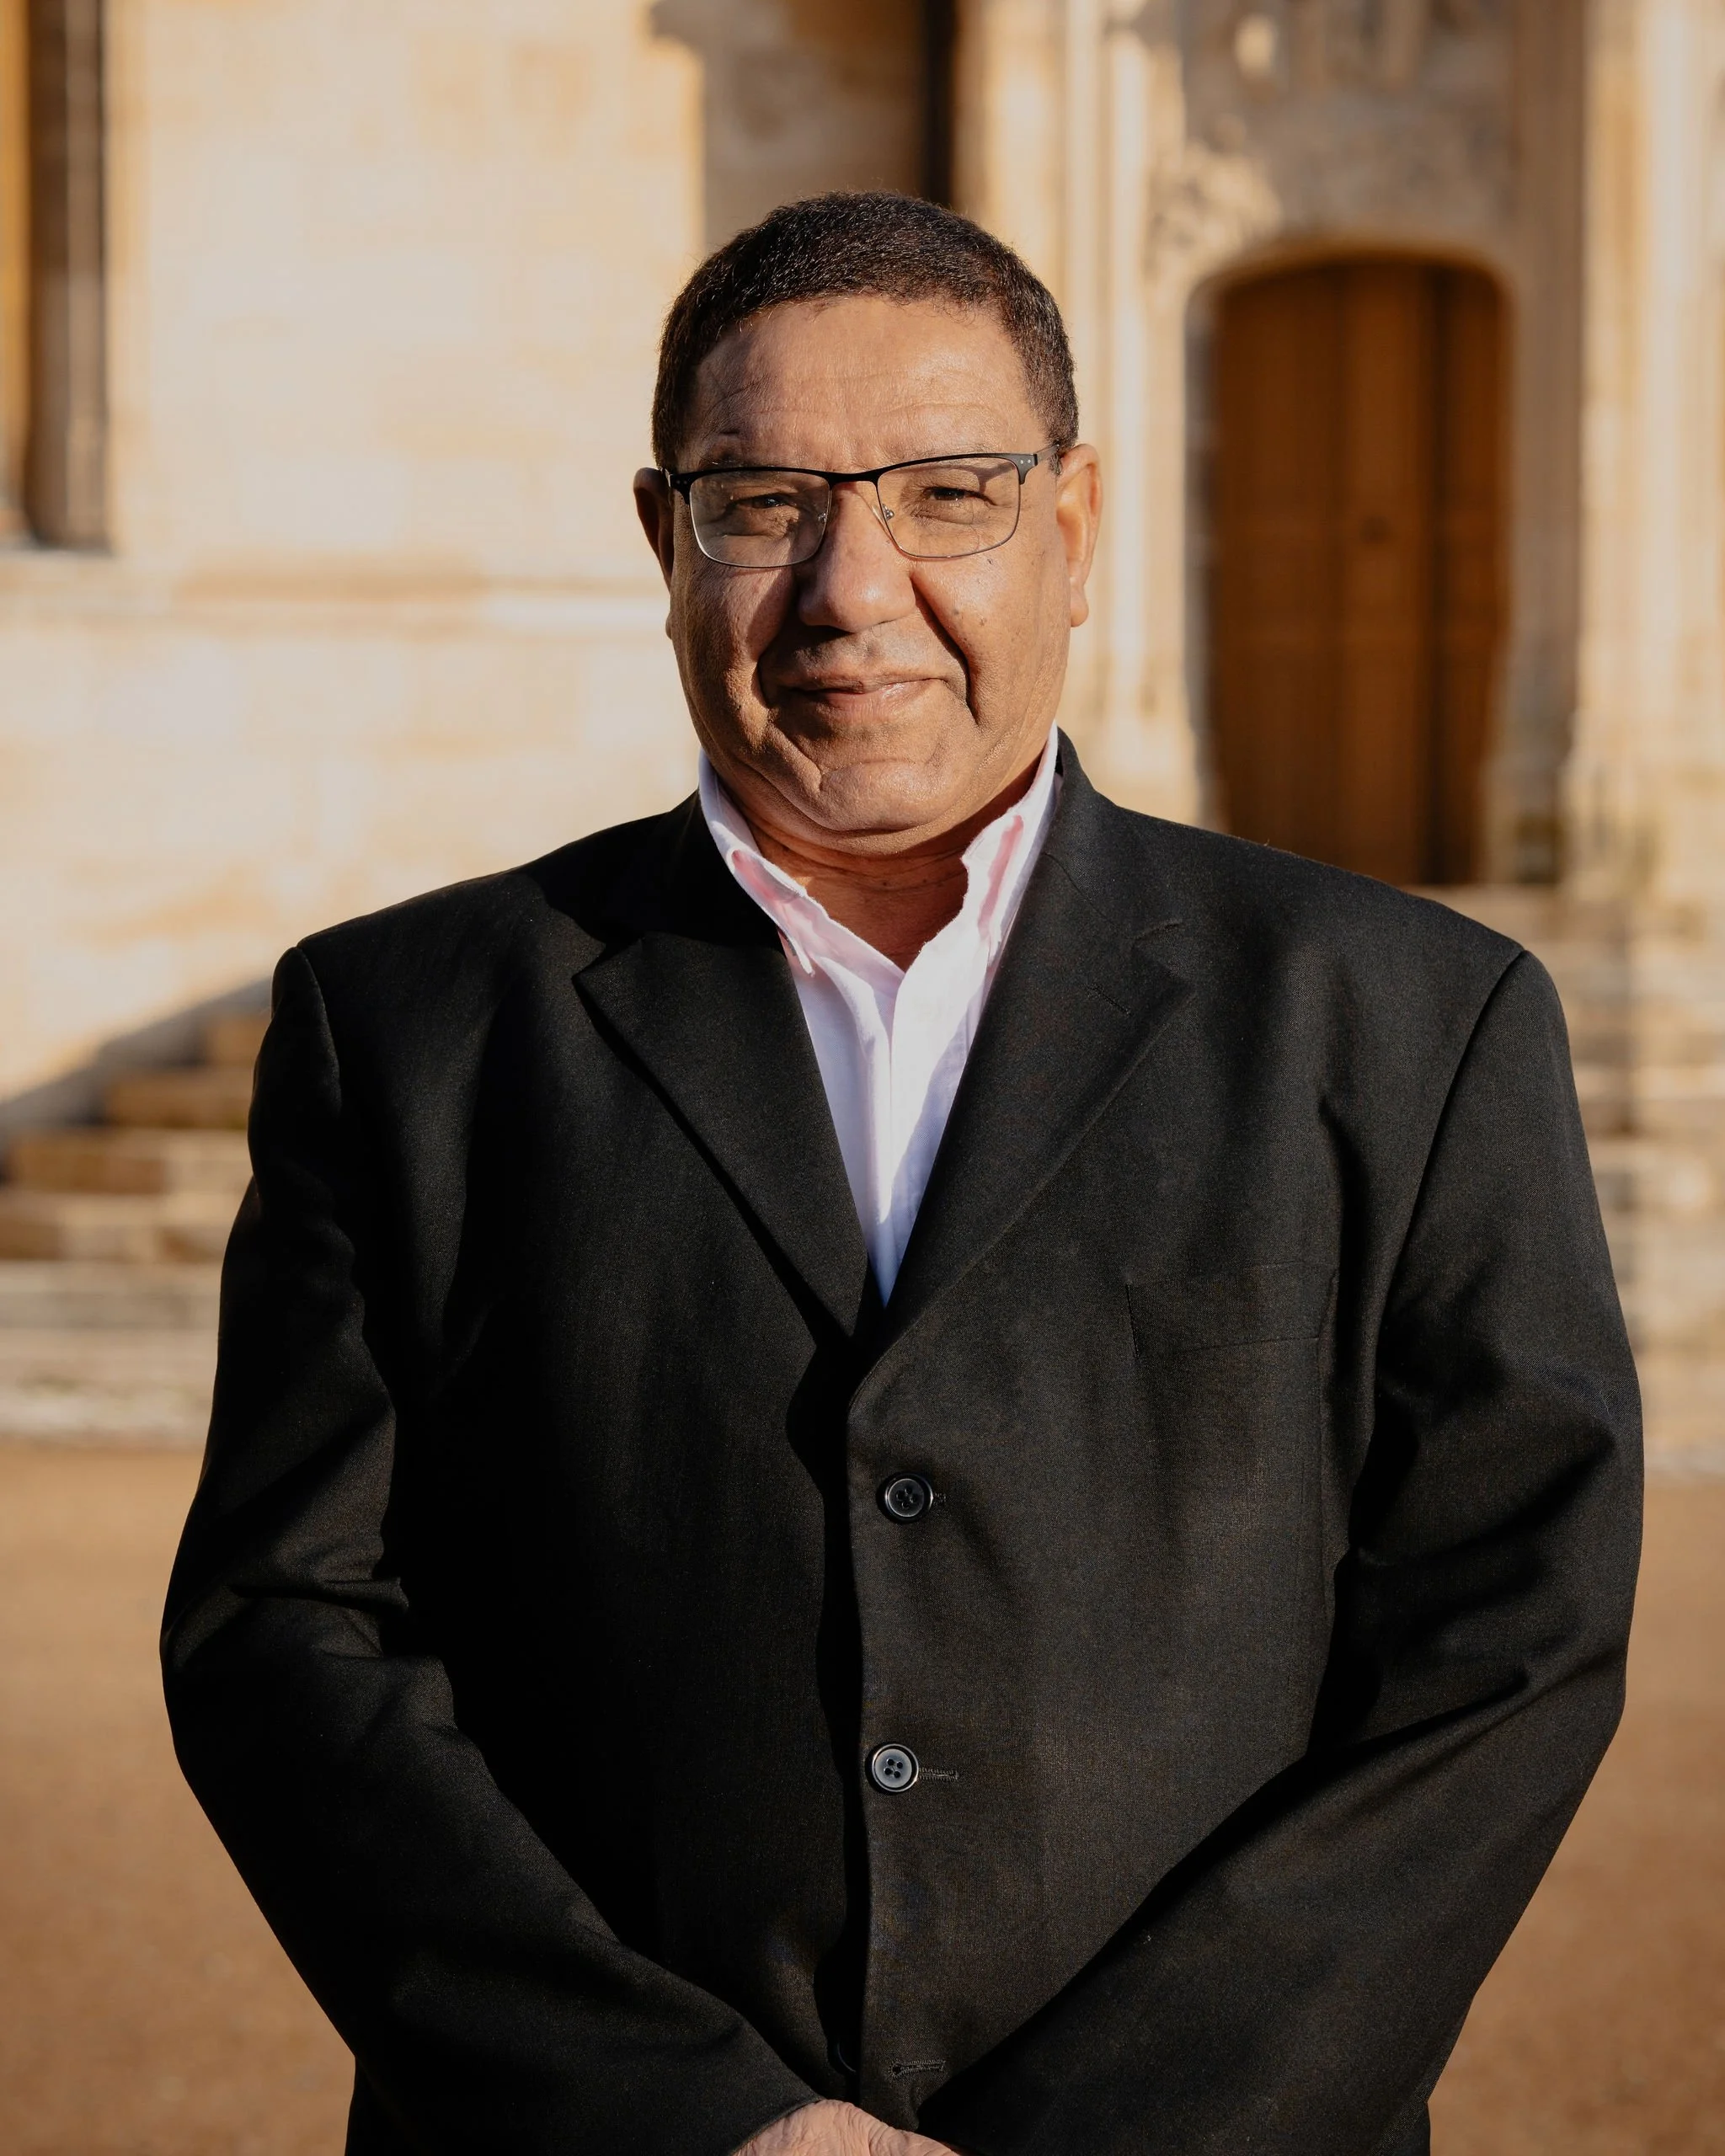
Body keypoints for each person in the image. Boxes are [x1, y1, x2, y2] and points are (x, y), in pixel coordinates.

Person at [163, 191, 1641, 2156]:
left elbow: (1504, 1645)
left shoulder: (1409, 1021)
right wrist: (703, 2122)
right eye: (763, 500)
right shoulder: (407, 1027)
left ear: (1078, 528)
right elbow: (287, 1626)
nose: (851, 589)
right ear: (661, 538)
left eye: (950, 492)